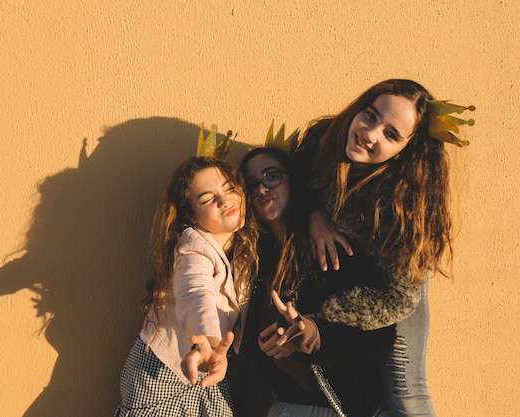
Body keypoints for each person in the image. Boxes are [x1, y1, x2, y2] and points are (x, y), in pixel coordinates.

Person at [289, 78, 473, 417]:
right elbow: (296, 180)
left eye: (391, 134)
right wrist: (314, 214)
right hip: (360, 284)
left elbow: (398, 299)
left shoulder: (401, 205)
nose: (371, 133)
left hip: (398, 290)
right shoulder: (321, 142)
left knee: (405, 389)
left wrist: (331, 315)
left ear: (407, 148)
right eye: (371, 116)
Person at [232, 146, 398, 417]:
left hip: (339, 408)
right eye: (250, 185)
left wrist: (310, 334)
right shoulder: (253, 260)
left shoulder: (330, 248)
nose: (261, 189)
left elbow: (380, 335)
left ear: (293, 180)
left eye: (271, 176)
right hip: (283, 404)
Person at [114, 156, 258, 417]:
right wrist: (210, 343)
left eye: (228, 188)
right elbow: (195, 293)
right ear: (192, 215)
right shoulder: (193, 247)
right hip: (162, 372)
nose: (224, 201)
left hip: (208, 368)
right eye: (207, 199)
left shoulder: (243, 246)